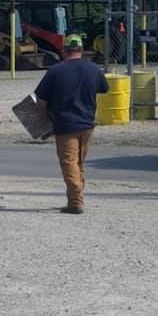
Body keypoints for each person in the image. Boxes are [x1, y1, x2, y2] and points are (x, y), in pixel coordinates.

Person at [34, 33, 109, 214]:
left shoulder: (55, 71)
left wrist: (44, 119)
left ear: (63, 51)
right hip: (87, 124)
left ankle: (75, 201)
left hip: (65, 125)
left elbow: (40, 101)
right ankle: (75, 199)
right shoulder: (93, 69)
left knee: (68, 163)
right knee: (79, 163)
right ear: (82, 50)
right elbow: (104, 88)